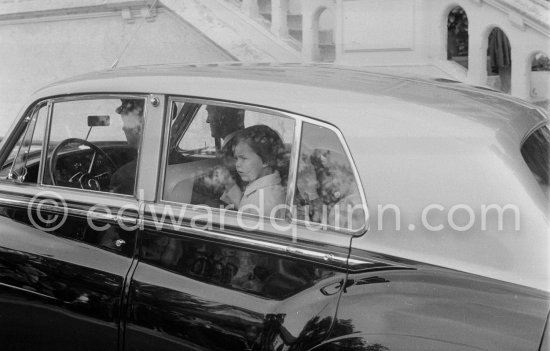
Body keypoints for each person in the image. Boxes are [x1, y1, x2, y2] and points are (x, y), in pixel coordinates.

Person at [223, 125, 286, 217]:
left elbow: (246, 218)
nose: (237, 164)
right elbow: (245, 206)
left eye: (243, 158)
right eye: (236, 158)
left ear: (266, 160)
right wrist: (230, 186)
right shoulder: (267, 187)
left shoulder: (262, 202)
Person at [109, 99, 144, 194]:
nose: (123, 128)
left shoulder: (125, 177)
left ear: (139, 129)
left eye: (126, 124)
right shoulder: (176, 160)